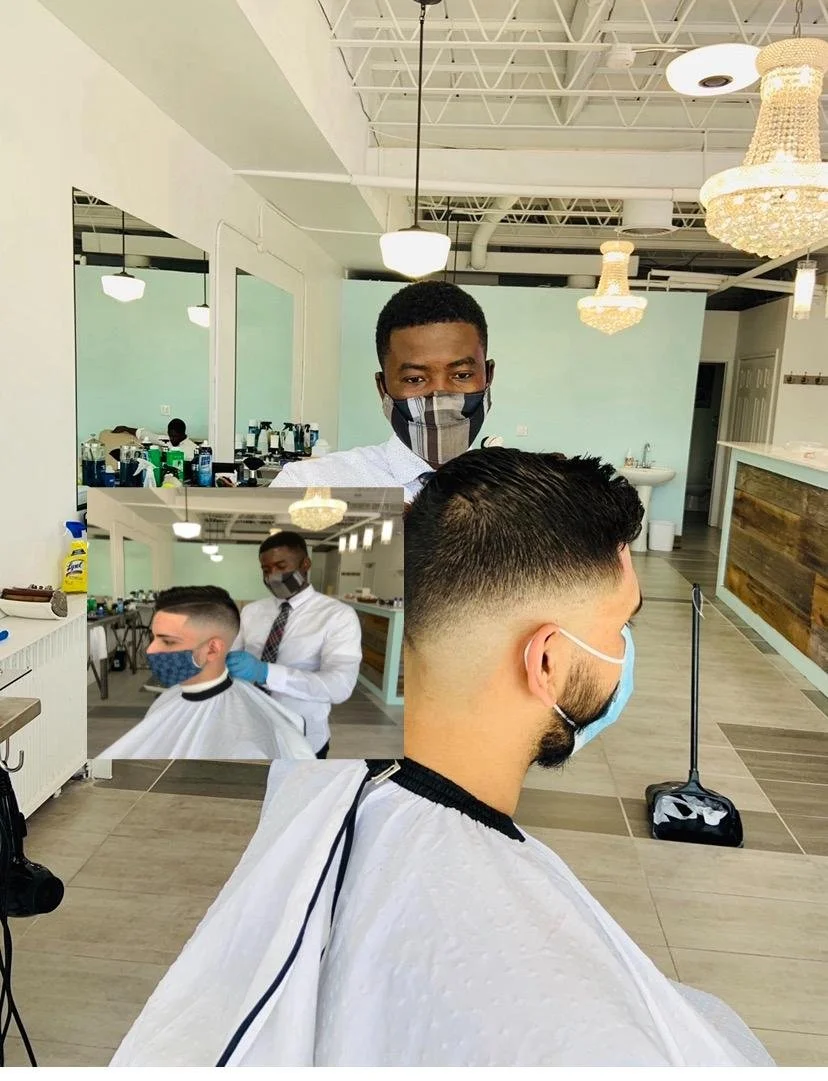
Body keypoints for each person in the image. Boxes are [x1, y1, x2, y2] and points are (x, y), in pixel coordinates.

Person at [108, 450, 773, 1067]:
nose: (625, 651)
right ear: (546, 659)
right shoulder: (571, 1034)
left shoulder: (327, 796)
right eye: (619, 625)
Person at [270, 281, 495, 499]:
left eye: (462, 375)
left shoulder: (521, 496)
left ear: (488, 376)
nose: (440, 394)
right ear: (383, 389)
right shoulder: (308, 487)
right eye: (415, 379)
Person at [98, 585, 314, 760]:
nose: (150, 650)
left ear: (212, 649)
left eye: (168, 641)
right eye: (153, 638)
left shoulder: (247, 743)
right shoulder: (165, 700)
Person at [226, 532, 362, 759]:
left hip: (303, 736)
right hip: (249, 729)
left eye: (281, 566)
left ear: (305, 564)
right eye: (266, 569)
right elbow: (230, 658)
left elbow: (340, 686)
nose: (273, 576)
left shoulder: (338, 616)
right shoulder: (252, 611)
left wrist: (267, 673)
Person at [112, 418, 199, 461]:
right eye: (170, 435)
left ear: (183, 433)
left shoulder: (193, 448)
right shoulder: (166, 440)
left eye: (175, 436)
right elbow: (145, 434)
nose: (172, 439)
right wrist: (125, 428)